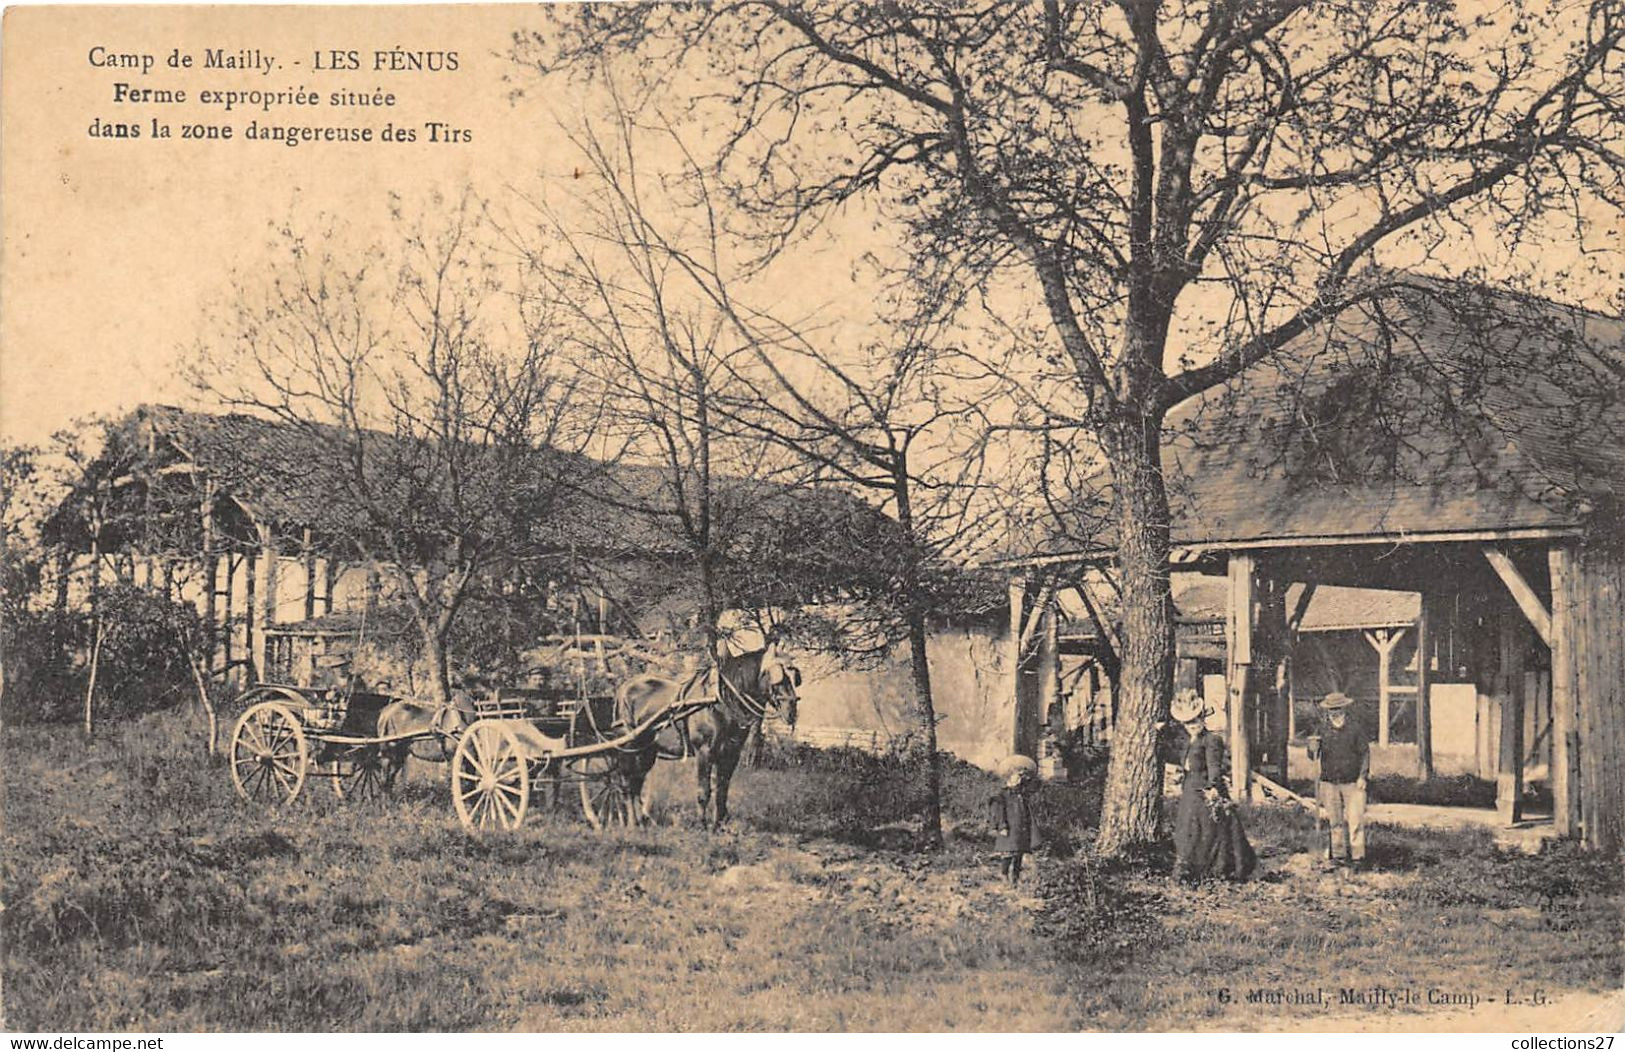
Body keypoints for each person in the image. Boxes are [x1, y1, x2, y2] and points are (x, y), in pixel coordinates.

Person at [1170, 689, 1256, 884]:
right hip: (1190, 788)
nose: (1192, 726)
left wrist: (1213, 788)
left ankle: (1216, 870)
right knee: (1188, 828)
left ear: (1202, 718)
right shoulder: (1189, 740)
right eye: (1187, 722)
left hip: (1206, 789)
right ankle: (1189, 868)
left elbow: (1214, 767)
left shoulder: (1211, 740)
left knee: (1208, 830)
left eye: (1195, 721)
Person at [1310, 691, 1370, 869]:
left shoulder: (1355, 729)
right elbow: (1313, 754)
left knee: (1355, 820)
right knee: (1335, 821)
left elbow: (1365, 753)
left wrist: (1363, 776)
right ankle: (1338, 856)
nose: (1334, 713)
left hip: (1352, 781)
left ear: (1344, 709)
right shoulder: (1322, 729)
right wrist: (1311, 748)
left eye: (1337, 709)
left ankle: (1358, 857)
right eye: (1330, 710)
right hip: (1329, 782)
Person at [988, 756, 1037, 885]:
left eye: (1021, 777)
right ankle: (1004, 874)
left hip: (1020, 827)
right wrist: (1002, 826)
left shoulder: (1022, 794)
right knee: (1008, 853)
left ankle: (1015, 877)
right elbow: (998, 812)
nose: (1020, 779)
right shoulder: (1002, 795)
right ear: (1009, 777)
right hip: (1009, 827)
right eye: (1017, 776)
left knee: (1019, 853)